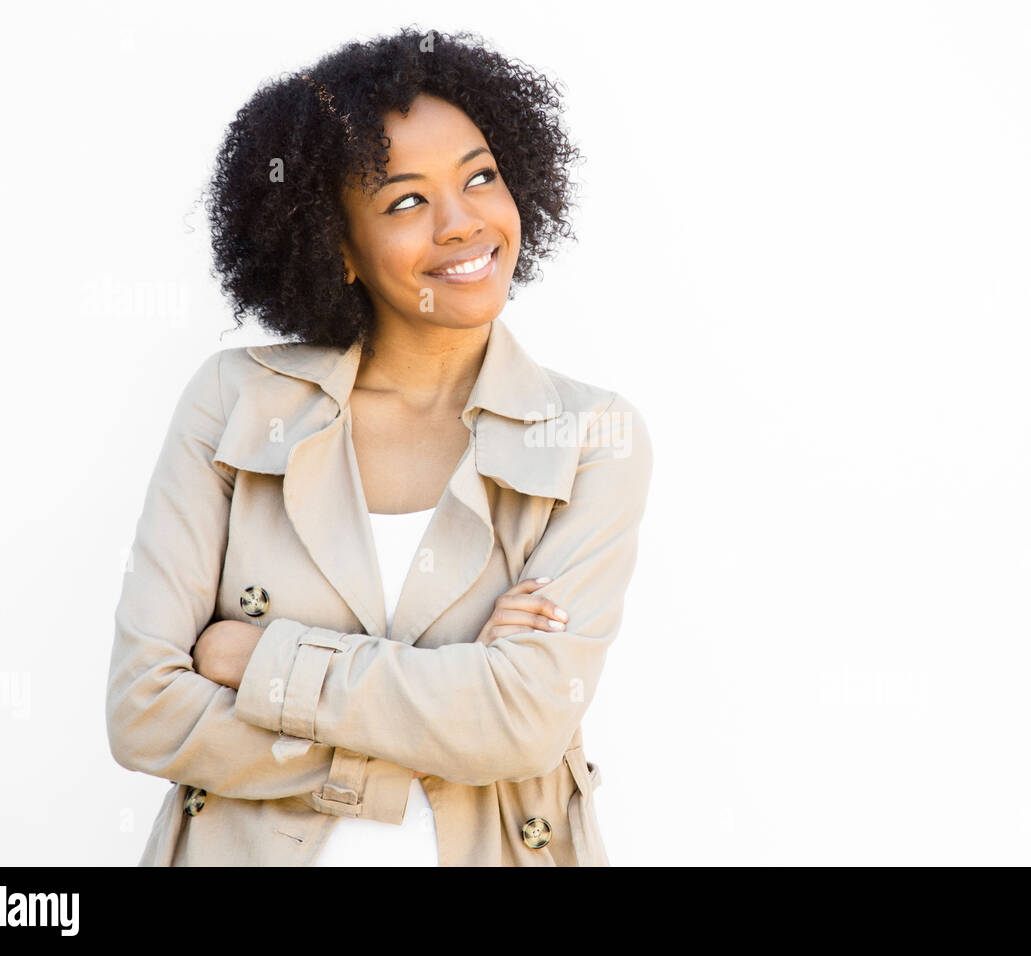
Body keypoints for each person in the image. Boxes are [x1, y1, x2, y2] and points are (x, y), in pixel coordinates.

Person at [106, 27, 653, 866]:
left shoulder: (590, 440)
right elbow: (144, 712)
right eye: (405, 201)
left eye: (480, 177)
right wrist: (447, 703)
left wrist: (258, 658)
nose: (463, 224)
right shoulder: (235, 403)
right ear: (338, 246)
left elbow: (522, 722)